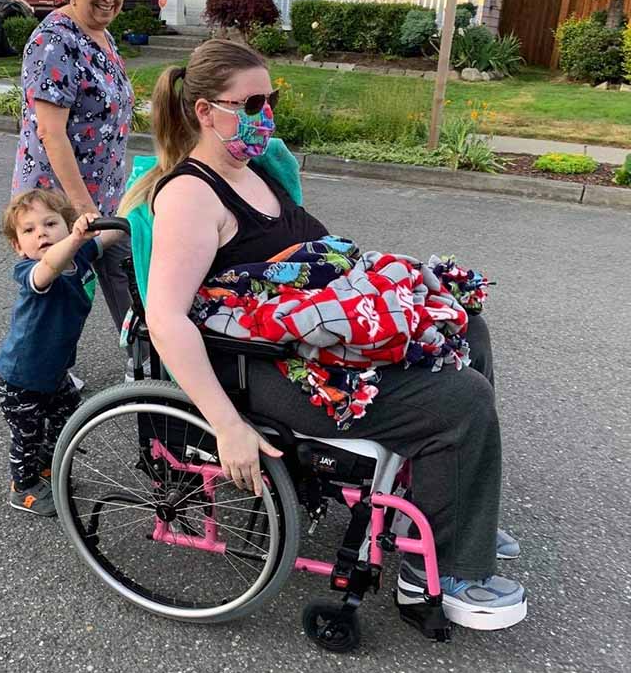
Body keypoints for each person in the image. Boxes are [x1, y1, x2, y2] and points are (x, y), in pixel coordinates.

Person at [118, 39, 527, 630]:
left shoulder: (257, 171)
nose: (266, 114)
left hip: (308, 339)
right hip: (268, 368)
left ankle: (449, 510)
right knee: (461, 399)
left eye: (271, 99)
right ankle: (433, 576)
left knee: (466, 325)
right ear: (206, 112)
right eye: (251, 102)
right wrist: (227, 426)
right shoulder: (189, 194)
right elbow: (165, 318)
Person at [11, 0, 136, 360]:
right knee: (57, 298)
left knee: (126, 275)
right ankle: (36, 380)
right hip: (59, 203)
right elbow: (51, 132)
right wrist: (84, 210)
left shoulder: (101, 36)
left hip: (104, 195)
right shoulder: (55, 41)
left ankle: (146, 364)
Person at [0, 189, 105, 516]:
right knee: (26, 438)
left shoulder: (80, 256)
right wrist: (73, 239)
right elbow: (50, 268)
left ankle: (46, 466)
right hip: (20, 380)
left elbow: (108, 237)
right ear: (18, 246)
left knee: (69, 413)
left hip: (55, 372)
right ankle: (22, 486)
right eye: (28, 230)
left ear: (66, 224)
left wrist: (135, 214)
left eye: (50, 223)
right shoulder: (31, 270)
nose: (40, 233)